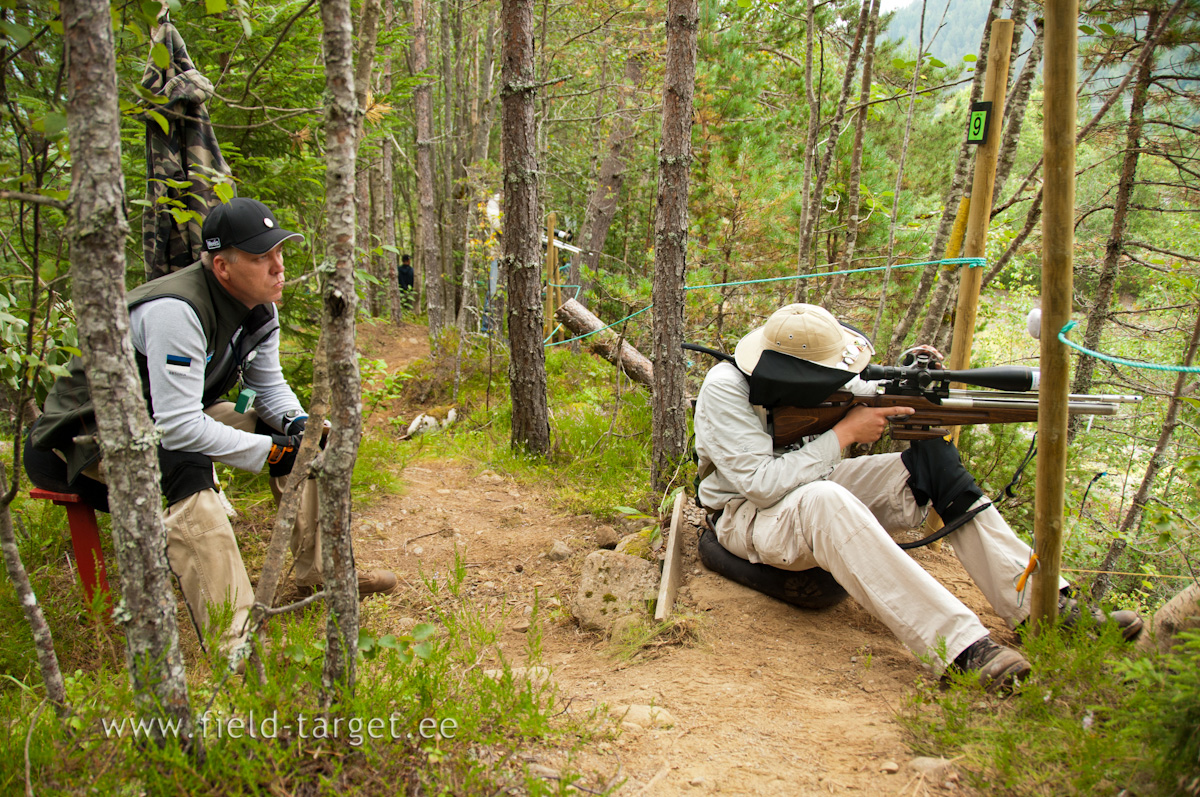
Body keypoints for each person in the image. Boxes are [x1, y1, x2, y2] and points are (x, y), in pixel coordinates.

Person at [693, 303, 1142, 691]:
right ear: (798, 372)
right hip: (744, 515)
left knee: (933, 463)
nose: (844, 377)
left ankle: (1041, 607)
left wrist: (913, 382)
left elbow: (867, 391)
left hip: (808, 490)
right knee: (824, 499)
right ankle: (960, 648)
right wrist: (843, 434)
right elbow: (762, 485)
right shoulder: (725, 388)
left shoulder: (825, 378)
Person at [25, 197, 396, 657]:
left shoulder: (259, 306)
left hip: (164, 418)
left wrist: (298, 427)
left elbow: (267, 387)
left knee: (311, 441)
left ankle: (320, 572)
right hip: (82, 439)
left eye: (279, 252)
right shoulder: (176, 311)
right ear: (222, 266)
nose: (279, 267)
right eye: (262, 257)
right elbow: (179, 431)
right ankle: (235, 642)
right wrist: (274, 453)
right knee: (188, 468)